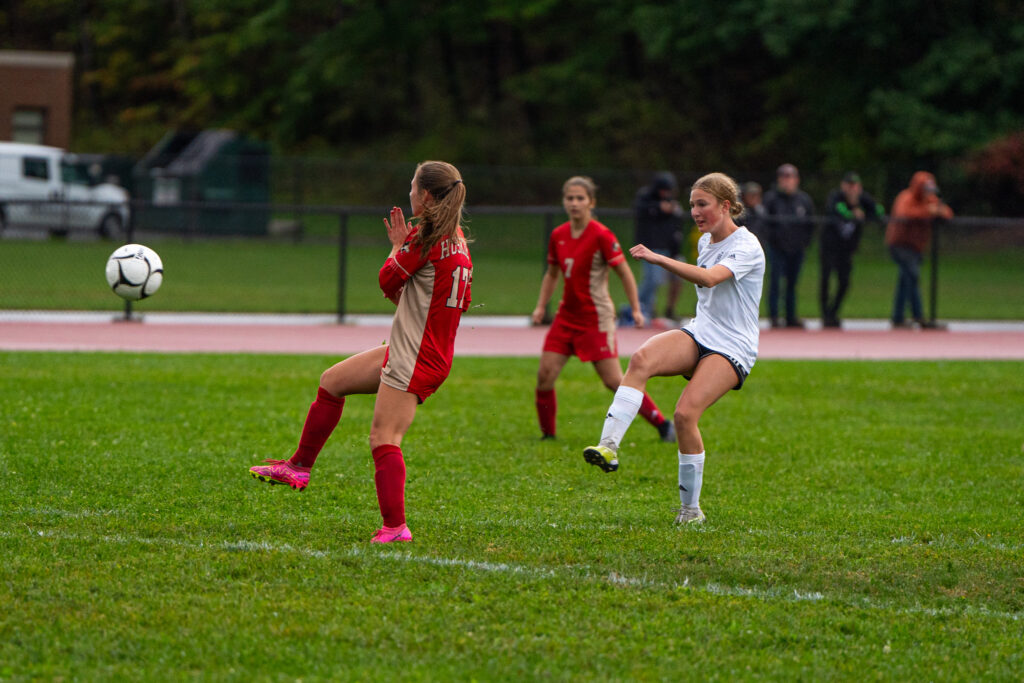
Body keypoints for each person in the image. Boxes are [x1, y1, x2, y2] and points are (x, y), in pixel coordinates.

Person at [248, 161, 473, 544]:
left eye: (413, 186)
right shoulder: (457, 238)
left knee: (384, 437)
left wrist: (397, 246)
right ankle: (299, 467)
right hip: (418, 349)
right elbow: (433, 299)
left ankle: (395, 528)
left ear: (426, 195)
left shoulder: (426, 239)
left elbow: (386, 280)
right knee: (332, 382)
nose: (409, 192)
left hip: (415, 356)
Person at [582, 172, 765, 526]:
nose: (694, 212)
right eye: (692, 204)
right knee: (641, 359)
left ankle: (691, 511)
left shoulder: (747, 246)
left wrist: (659, 259)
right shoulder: (706, 242)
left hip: (734, 346)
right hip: (701, 332)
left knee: (684, 415)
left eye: (702, 204)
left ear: (725, 206)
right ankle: (609, 446)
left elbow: (709, 279)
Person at [532, 176, 674, 443]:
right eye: (570, 198)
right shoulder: (558, 235)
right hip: (566, 317)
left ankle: (662, 424)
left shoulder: (601, 235)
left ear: (591, 202)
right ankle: (548, 435)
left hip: (595, 318)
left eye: (580, 198)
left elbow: (624, 272)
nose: (574, 203)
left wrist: (636, 309)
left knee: (614, 381)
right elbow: (552, 273)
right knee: (545, 375)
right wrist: (541, 306)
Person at [885, 171, 953, 329]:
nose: (929, 193)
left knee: (906, 280)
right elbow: (904, 213)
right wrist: (928, 211)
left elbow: (947, 212)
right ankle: (918, 316)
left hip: (916, 247)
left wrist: (938, 211)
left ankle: (898, 317)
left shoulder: (929, 199)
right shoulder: (906, 197)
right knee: (912, 276)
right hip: (900, 244)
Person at [819, 172, 883, 328]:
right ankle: (825, 314)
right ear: (843, 186)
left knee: (844, 282)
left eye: (855, 186)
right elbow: (837, 209)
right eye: (849, 185)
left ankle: (834, 311)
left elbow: (879, 210)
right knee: (826, 279)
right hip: (829, 246)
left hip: (846, 249)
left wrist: (865, 214)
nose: (852, 189)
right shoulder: (836, 197)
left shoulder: (863, 198)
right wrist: (853, 213)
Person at [762, 163, 815, 328]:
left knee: (792, 283)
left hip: (797, 248)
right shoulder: (771, 199)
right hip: (777, 247)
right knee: (775, 282)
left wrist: (805, 242)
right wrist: (772, 239)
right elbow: (764, 223)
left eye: (790, 177)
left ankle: (791, 316)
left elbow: (811, 224)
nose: (787, 181)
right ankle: (774, 316)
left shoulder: (804, 200)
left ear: (796, 180)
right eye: (783, 177)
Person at [633, 172, 685, 321]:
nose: (666, 193)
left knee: (678, 278)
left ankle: (669, 309)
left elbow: (676, 225)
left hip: (670, 247)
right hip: (651, 246)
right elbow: (640, 210)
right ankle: (640, 308)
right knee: (653, 279)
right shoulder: (645, 197)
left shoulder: (672, 202)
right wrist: (658, 208)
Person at [740, 181, 768, 249]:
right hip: (743, 246)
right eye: (751, 195)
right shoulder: (739, 213)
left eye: (757, 195)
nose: (755, 198)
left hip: (759, 246)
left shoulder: (762, 212)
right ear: (744, 196)